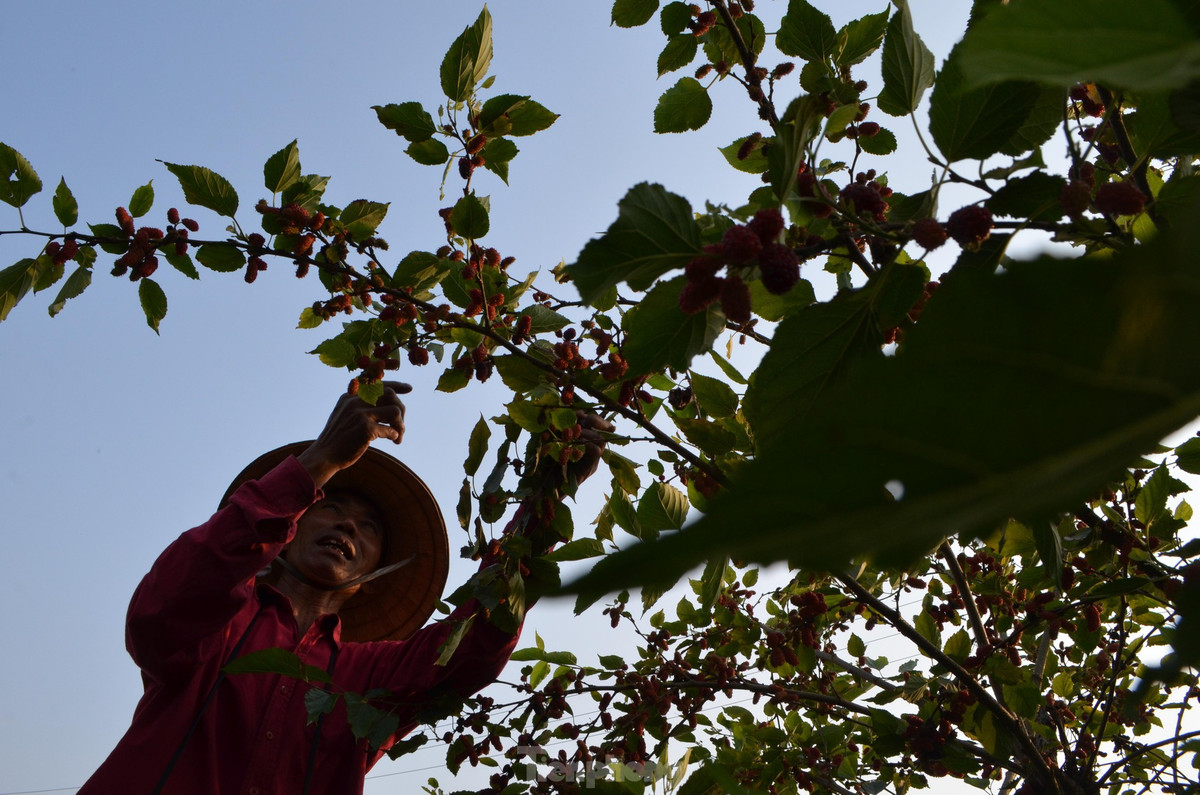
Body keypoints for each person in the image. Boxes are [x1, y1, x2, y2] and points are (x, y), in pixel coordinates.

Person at [78, 382, 607, 794]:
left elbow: (474, 641)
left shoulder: (373, 679)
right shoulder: (219, 625)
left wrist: (546, 493)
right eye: (330, 506)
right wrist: (321, 459)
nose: (349, 525)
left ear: (374, 578)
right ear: (286, 532)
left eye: (369, 527)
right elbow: (162, 610)